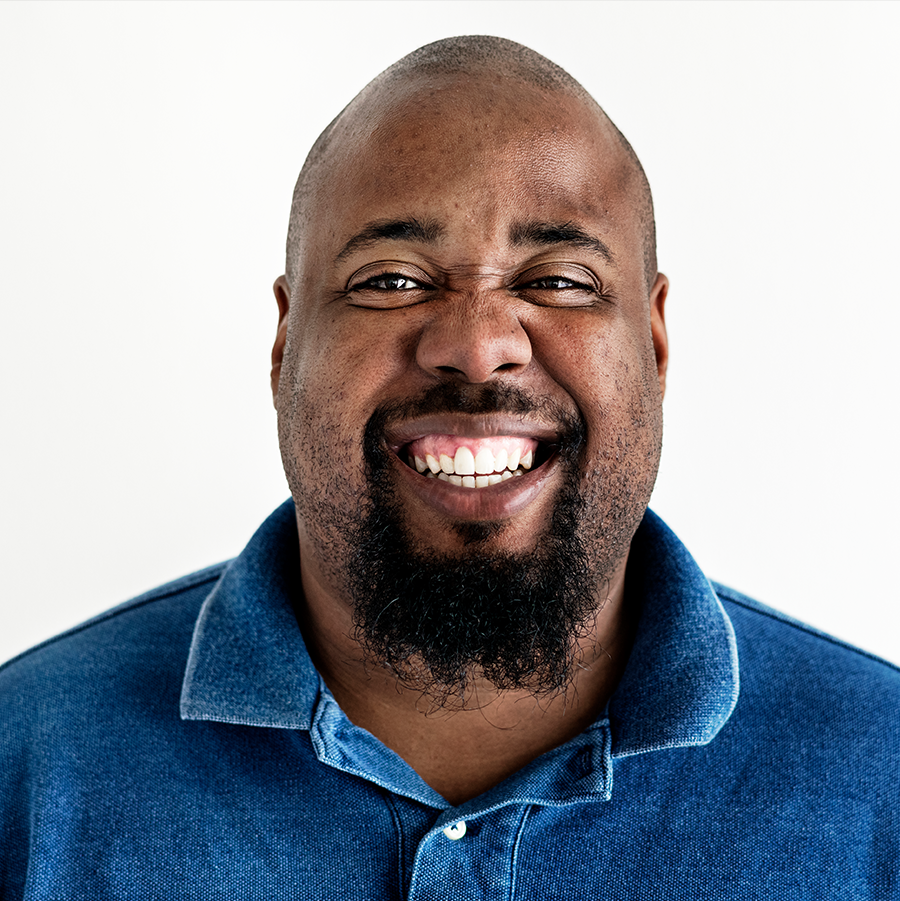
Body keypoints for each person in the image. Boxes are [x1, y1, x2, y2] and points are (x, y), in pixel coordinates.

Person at [1, 35, 897, 899]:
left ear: (656, 344)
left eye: (558, 280)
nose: (476, 346)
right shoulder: (25, 773)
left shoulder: (882, 776)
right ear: (284, 344)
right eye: (391, 279)